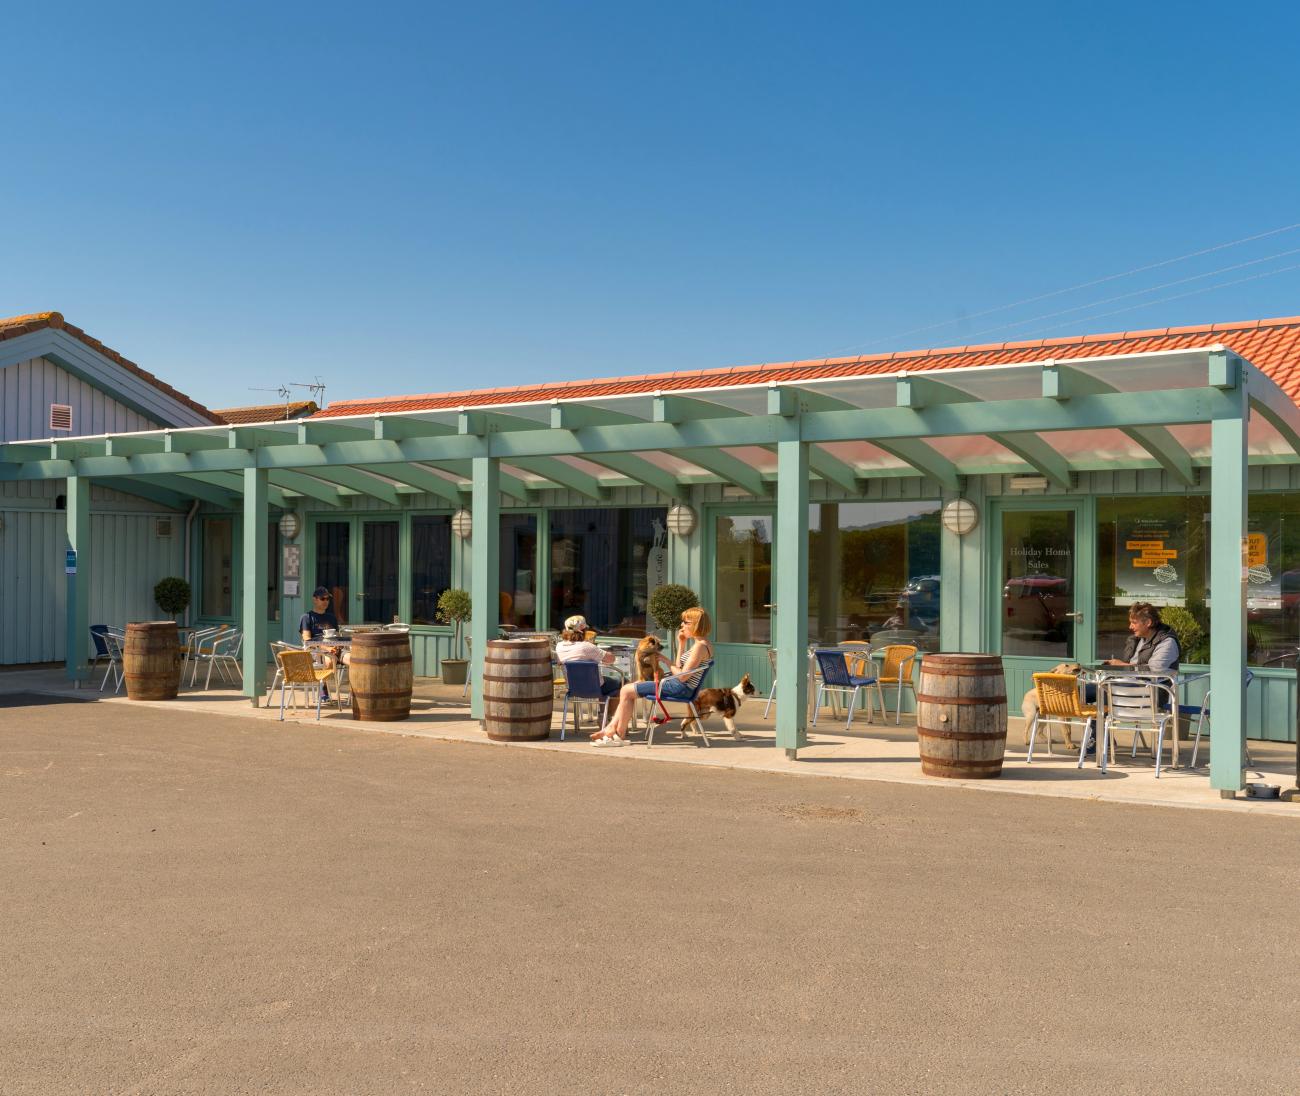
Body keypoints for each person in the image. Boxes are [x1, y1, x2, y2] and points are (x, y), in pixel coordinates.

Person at [592, 606, 713, 746]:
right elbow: (681, 668)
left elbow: (682, 677)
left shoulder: (699, 647)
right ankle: (614, 730)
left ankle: (617, 733)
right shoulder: (703, 645)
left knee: (626, 690)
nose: (682, 625)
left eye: (686, 622)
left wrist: (666, 661)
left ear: (696, 625)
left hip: (679, 687)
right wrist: (682, 643)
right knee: (628, 690)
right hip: (679, 686)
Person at [555, 614, 620, 699]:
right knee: (623, 681)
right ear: (583, 631)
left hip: (573, 688)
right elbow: (611, 659)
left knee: (602, 682)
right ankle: (608, 712)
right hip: (595, 688)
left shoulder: (559, 646)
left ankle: (603, 712)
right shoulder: (586, 646)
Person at [1105, 601, 1181, 674]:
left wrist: (1120, 665)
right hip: (1130, 682)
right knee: (1096, 683)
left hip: (1152, 685)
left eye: (1134, 623)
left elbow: (1154, 672)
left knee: (1097, 686)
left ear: (1148, 622)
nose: (1130, 627)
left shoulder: (1167, 642)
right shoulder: (1135, 639)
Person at [298, 586, 342, 700]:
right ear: (315, 599)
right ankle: (324, 687)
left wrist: (337, 645)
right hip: (316, 651)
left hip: (333, 649)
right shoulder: (307, 617)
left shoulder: (331, 617)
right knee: (328, 661)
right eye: (323, 599)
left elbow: (337, 636)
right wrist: (326, 648)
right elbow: (307, 640)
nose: (326, 601)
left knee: (354, 659)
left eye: (328, 599)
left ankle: (356, 692)